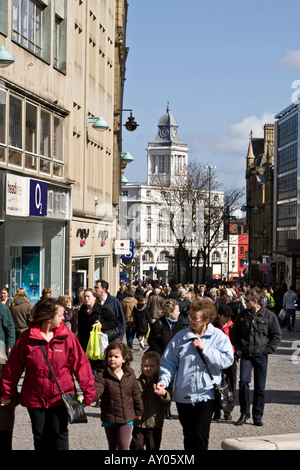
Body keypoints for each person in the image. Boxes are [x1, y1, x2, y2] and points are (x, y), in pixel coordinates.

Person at [0, 297, 95, 451]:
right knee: (40, 437)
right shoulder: (27, 337)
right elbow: (13, 368)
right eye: (60, 315)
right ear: (47, 317)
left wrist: (89, 390)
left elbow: (81, 365)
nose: (63, 317)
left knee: (60, 435)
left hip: (61, 397)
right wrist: (7, 392)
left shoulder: (68, 337)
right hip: (35, 397)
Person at [156, 299, 234, 451]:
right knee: (189, 435)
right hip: (184, 395)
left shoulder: (218, 337)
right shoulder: (180, 337)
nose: (190, 320)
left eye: (195, 318)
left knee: (200, 435)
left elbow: (227, 360)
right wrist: (163, 381)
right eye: (190, 317)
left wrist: (206, 349)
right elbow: (168, 362)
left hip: (207, 395)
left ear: (206, 320)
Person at [230, 287, 282, 427]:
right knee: (243, 383)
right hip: (246, 355)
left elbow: (276, 335)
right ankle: (244, 413)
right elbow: (234, 332)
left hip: (261, 356)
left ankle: (257, 416)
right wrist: (239, 348)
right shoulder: (243, 314)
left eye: (247, 300)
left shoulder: (269, 316)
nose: (245, 302)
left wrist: (267, 350)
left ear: (255, 301)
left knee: (260, 388)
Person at [94, 340, 143, 450]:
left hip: (126, 417)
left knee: (123, 445)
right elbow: (97, 390)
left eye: (116, 356)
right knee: (113, 447)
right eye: (110, 356)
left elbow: (136, 395)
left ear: (124, 359)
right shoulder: (102, 375)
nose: (112, 359)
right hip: (110, 416)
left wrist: (139, 411)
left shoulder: (130, 375)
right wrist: (89, 396)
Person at [130, 351, 170, 451]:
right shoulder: (137, 382)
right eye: (146, 365)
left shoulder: (160, 382)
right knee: (136, 445)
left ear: (158, 367)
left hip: (154, 423)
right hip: (138, 421)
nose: (148, 368)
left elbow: (168, 397)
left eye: (152, 366)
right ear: (141, 366)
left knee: (153, 446)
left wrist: (163, 393)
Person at [77, 289, 119, 374]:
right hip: (86, 344)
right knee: (88, 369)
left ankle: (97, 385)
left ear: (94, 298)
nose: (86, 299)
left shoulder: (102, 309)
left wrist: (102, 325)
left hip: (98, 344)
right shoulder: (82, 310)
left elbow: (114, 322)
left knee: (97, 368)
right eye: (84, 297)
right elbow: (80, 327)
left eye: (88, 296)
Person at [213, 304, 236, 421]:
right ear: (219, 316)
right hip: (216, 358)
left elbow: (238, 341)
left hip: (230, 358)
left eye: (229, 316)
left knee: (230, 384)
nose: (228, 318)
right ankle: (217, 410)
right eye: (226, 316)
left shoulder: (233, 327)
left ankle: (228, 410)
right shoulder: (213, 327)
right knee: (216, 384)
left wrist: (237, 353)